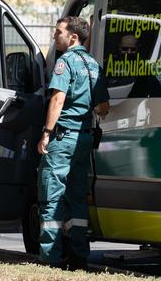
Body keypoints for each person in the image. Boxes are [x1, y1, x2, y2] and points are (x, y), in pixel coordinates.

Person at [36, 16, 109, 270]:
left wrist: (46, 132)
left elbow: (57, 99)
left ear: (73, 37)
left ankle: (51, 257)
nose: (55, 37)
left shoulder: (64, 62)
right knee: (77, 197)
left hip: (63, 136)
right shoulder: (93, 64)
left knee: (51, 196)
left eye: (58, 33)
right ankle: (79, 256)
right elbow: (103, 107)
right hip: (84, 138)